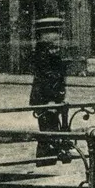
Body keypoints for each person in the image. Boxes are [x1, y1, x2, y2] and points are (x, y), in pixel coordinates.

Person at [29, 16, 68, 164]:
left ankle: (50, 158)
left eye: (57, 46)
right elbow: (46, 80)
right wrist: (52, 99)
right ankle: (46, 161)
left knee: (52, 130)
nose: (57, 49)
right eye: (54, 47)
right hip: (46, 102)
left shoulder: (52, 58)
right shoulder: (43, 59)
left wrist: (60, 97)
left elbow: (58, 80)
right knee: (47, 132)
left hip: (52, 101)